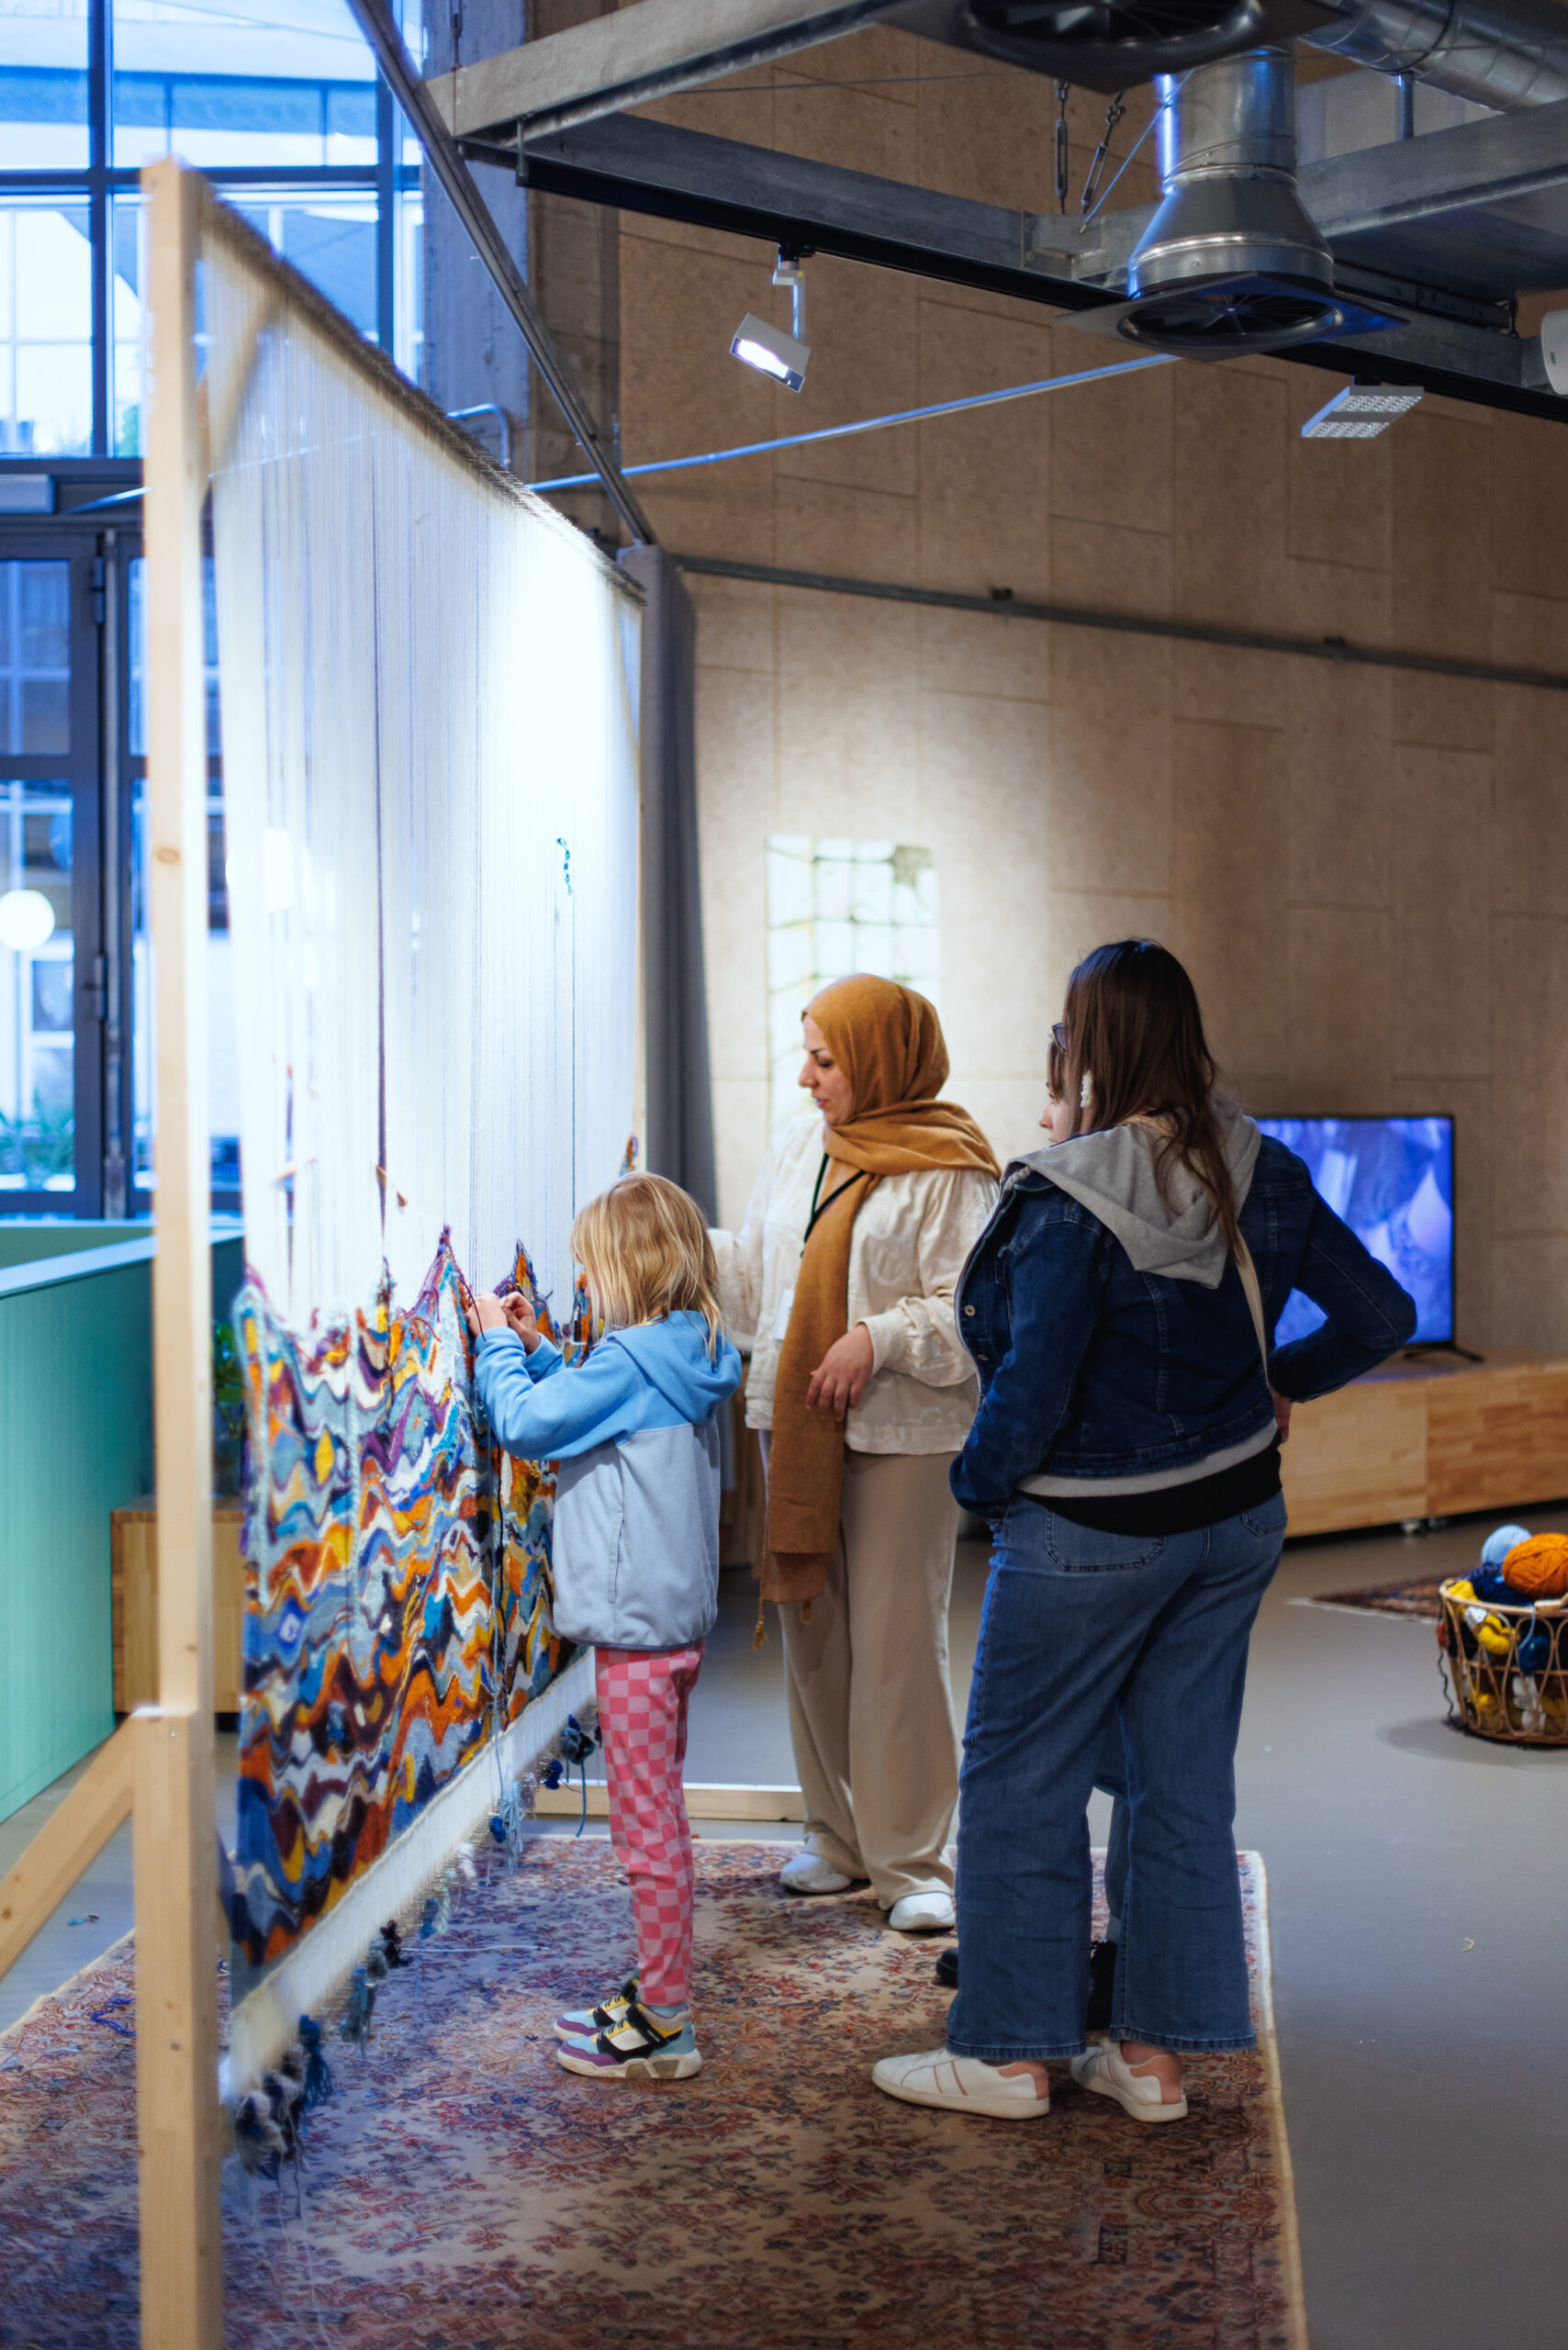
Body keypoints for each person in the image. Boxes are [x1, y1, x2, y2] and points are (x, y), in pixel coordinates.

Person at [873, 939, 1416, 2121]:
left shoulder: (1065, 1194)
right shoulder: (1260, 1166)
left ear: (1088, 1045)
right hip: (1234, 1522)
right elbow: (1384, 1312)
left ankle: (1009, 2055)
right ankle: (1152, 2063)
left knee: (1019, 1776)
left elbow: (1030, 1389)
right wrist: (1278, 1378)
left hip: (1084, 1534)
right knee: (1179, 1785)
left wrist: (976, 1485)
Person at [711, 975, 1000, 1932]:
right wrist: (670, 1243)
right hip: (792, 1420)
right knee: (814, 1630)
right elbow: (757, 1278)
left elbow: (975, 1311)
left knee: (894, 1645)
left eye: (824, 1059)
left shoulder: (952, 1167)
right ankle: (835, 1835)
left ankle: (910, 1860)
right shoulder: (801, 1145)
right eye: (807, 1055)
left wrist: (876, 1337)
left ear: (880, 1059)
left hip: (900, 1435)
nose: (806, 1077)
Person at [469, 1172, 742, 2085]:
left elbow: (527, 1424)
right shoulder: (690, 1347)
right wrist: (544, 1349)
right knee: (658, 1816)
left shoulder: (629, 1362)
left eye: (589, 1267)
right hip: (674, 1627)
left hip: (635, 1641)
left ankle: (667, 2023)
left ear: (629, 1268)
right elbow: (599, 1407)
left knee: (645, 1832)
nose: (581, 1283)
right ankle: (658, 1995)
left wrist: (496, 1343)